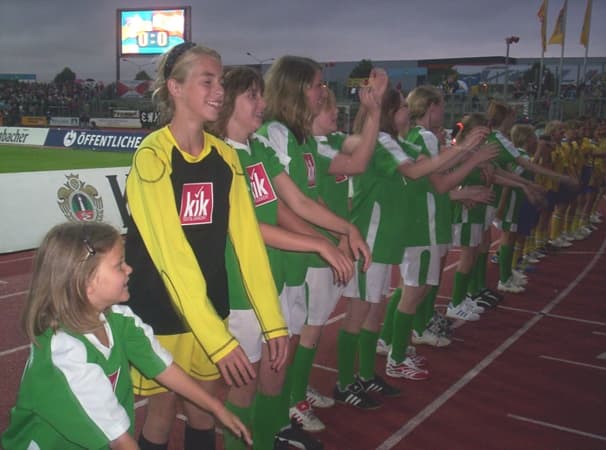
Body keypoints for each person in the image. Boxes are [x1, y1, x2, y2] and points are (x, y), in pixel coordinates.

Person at [124, 43, 288, 450]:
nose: (219, 90)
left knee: (204, 407)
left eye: (220, 80)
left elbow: (249, 247)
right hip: (160, 307)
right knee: (161, 410)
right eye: (207, 80)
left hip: (210, 307)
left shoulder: (226, 158)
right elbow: (171, 258)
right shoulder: (153, 157)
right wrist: (220, 340)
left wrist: (273, 321)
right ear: (175, 88)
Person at [209, 65, 364, 449]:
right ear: (229, 102)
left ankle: (265, 437)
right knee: (243, 389)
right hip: (241, 285)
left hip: (270, 278)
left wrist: (345, 229)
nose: (263, 104)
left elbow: (292, 203)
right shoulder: (218, 155)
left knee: (270, 371)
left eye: (262, 95)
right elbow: (245, 228)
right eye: (253, 96)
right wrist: (320, 244)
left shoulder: (257, 149)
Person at [1, 222, 252, 450]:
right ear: (86, 282)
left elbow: (164, 369)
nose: (129, 268)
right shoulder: (66, 353)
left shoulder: (119, 319)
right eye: (119, 264)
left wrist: (215, 407)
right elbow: (121, 442)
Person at [254, 55, 372, 433]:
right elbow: (291, 204)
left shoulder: (300, 137)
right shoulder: (275, 134)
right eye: (318, 84)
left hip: (297, 259)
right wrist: (330, 240)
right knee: (268, 358)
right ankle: (275, 421)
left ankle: (279, 419)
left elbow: (310, 199)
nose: (324, 92)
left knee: (284, 348)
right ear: (297, 88)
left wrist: (343, 230)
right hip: (279, 259)